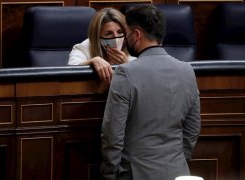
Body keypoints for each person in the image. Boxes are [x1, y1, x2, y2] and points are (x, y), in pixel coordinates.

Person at [100, 4, 201, 180]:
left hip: (135, 173)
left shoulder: (125, 73)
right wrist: (179, 160)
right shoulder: (187, 70)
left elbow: (112, 134)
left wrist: (110, 174)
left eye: (127, 33)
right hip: (178, 171)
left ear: (137, 34)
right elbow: (193, 128)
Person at [68, 8, 135, 84]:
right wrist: (91, 62)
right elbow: (71, 71)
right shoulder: (83, 47)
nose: (116, 38)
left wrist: (128, 66)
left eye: (120, 32)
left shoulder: (132, 46)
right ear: (97, 35)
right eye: (108, 33)